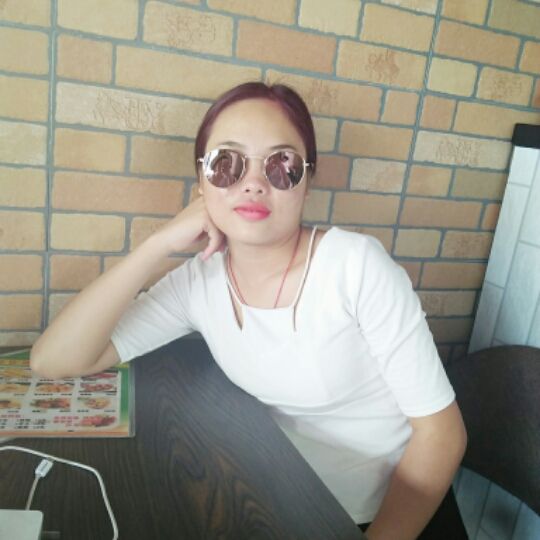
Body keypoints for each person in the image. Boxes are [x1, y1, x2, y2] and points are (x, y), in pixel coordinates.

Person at [30, 82, 468, 539]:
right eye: (226, 163)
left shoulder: (355, 267)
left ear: (307, 182)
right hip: (280, 500)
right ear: (201, 181)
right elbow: (54, 360)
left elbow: (442, 435)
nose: (254, 182)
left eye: (282, 165)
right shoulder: (200, 282)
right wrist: (158, 243)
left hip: (388, 517)